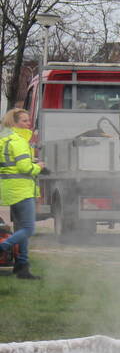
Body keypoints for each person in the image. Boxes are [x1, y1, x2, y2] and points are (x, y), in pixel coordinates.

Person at [0, 108, 46, 279]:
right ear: (14, 123)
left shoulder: (4, 140)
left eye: (29, 120)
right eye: (25, 121)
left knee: (21, 228)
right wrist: (38, 166)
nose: (29, 123)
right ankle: (3, 246)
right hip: (22, 190)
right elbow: (24, 168)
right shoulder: (18, 141)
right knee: (28, 228)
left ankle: (22, 267)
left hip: (10, 189)